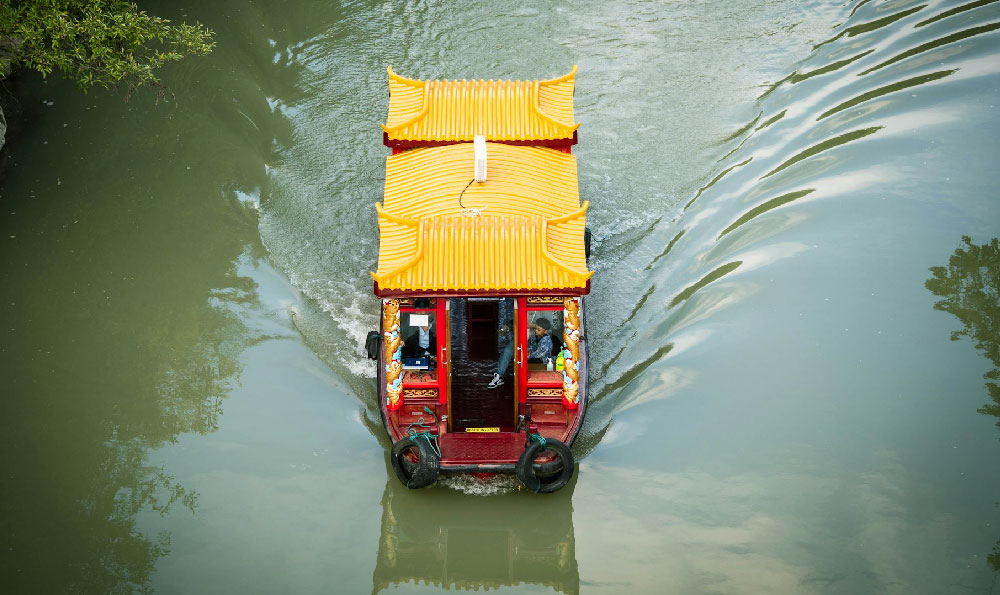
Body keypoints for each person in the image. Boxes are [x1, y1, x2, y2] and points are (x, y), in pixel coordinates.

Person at [488, 317, 553, 388]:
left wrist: (527, 354)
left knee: (525, 361)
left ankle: (523, 382)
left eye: (538, 329)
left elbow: (540, 352)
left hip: (541, 359)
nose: (536, 331)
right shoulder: (535, 335)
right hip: (522, 338)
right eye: (536, 329)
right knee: (506, 351)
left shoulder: (545, 338)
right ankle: (499, 376)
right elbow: (532, 346)